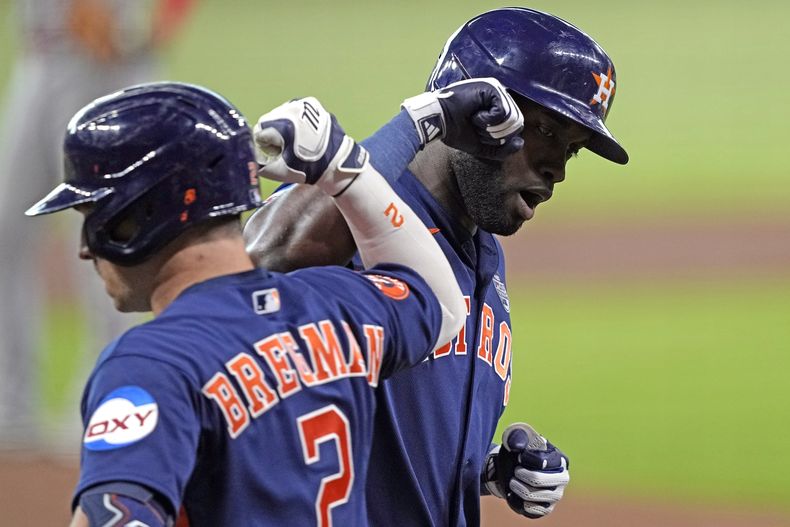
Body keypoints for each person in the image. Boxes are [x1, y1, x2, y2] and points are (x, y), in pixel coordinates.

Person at [24, 78, 526, 526]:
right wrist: (345, 168)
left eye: (94, 214)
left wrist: (401, 131)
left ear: (139, 219)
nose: (85, 247)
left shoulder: (151, 363)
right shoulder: (338, 311)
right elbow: (439, 301)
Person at [243, 7, 628, 525]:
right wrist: (425, 118)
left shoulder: (484, 252)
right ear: (479, 105)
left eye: (572, 149)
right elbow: (254, 265)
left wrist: (488, 468)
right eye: (545, 131)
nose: (557, 168)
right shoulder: (360, 208)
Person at [0, 0, 195, 447]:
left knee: (101, 236)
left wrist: (156, 24)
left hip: (98, 65)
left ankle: (105, 402)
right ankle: (11, 402)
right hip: (38, 58)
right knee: (7, 236)